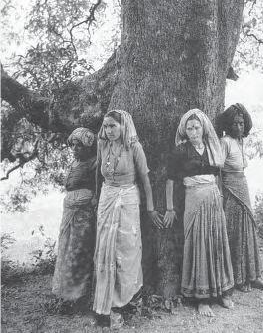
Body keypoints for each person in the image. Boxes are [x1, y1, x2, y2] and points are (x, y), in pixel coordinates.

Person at [93, 110, 161, 326]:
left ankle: (125, 301)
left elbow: (145, 179)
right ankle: (105, 303)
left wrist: (150, 207)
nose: (109, 130)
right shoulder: (103, 145)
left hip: (128, 199)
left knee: (126, 249)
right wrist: (97, 197)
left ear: (124, 126)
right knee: (106, 249)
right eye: (106, 126)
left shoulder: (134, 147)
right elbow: (98, 175)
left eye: (113, 126)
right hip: (107, 198)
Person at [165, 109, 234, 317]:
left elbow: (218, 176)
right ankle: (202, 299)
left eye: (196, 127)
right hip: (194, 198)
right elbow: (170, 180)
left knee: (217, 241)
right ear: (184, 130)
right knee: (198, 243)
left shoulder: (213, 148)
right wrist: (170, 207)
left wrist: (220, 197)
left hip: (214, 199)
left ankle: (222, 291)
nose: (193, 131)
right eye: (189, 128)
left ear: (204, 128)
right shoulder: (181, 151)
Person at [217, 103, 263, 292]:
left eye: (242, 123)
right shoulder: (226, 142)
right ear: (228, 125)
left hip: (243, 187)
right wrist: (222, 193)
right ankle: (238, 278)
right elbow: (219, 171)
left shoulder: (239, 142)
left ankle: (253, 276)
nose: (239, 127)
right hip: (231, 190)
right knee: (236, 231)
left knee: (248, 230)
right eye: (236, 124)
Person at [52, 127, 97, 313]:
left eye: (79, 146)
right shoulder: (74, 163)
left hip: (83, 215)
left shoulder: (93, 164)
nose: (75, 149)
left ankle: (79, 295)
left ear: (88, 148)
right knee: (66, 249)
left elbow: (98, 188)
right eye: (73, 146)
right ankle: (64, 293)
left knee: (79, 251)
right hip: (70, 211)